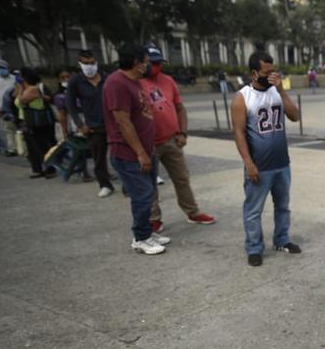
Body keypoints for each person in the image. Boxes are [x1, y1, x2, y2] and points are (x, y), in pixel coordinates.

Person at [230, 51, 301, 267]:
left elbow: (295, 116)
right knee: (253, 210)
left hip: (282, 163)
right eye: (266, 72)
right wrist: (248, 163)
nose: (272, 75)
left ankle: (282, 239)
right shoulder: (242, 98)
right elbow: (239, 133)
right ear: (254, 73)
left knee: (283, 206)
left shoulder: (276, 92)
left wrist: (281, 90)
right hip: (259, 166)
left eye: (273, 71)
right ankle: (254, 248)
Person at [139, 44, 217, 233]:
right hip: (148, 143)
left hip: (171, 140)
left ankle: (192, 211)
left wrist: (182, 132)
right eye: (153, 63)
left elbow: (180, 108)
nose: (157, 67)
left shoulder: (168, 81)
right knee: (149, 183)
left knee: (182, 179)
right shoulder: (135, 83)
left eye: (159, 63)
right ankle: (154, 218)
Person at [103, 44, 169, 255]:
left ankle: (147, 232)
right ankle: (140, 238)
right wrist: (140, 153)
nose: (148, 65)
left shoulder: (133, 82)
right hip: (128, 153)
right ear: (135, 63)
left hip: (146, 149)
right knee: (142, 195)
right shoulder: (116, 84)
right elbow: (122, 122)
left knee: (149, 193)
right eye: (145, 61)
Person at [68, 49, 115, 197]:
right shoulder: (75, 81)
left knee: (120, 156)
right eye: (86, 63)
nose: (90, 66)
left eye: (92, 63)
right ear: (80, 64)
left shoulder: (107, 78)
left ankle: (128, 185)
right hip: (93, 127)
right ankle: (105, 185)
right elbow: (71, 106)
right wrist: (80, 125)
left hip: (113, 124)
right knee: (98, 158)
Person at [17, 67, 57, 179]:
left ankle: (50, 168)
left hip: (40, 121)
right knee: (34, 146)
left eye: (21, 76)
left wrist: (20, 89)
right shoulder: (26, 88)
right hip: (29, 121)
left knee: (44, 145)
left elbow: (21, 101)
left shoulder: (34, 88)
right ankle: (40, 168)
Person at [0, 59, 20, 156]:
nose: (1, 69)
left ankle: (20, 147)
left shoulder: (14, 78)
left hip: (15, 107)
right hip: (4, 108)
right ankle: (11, 149)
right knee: (8, 129)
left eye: (3, 67)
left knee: (18, 128)